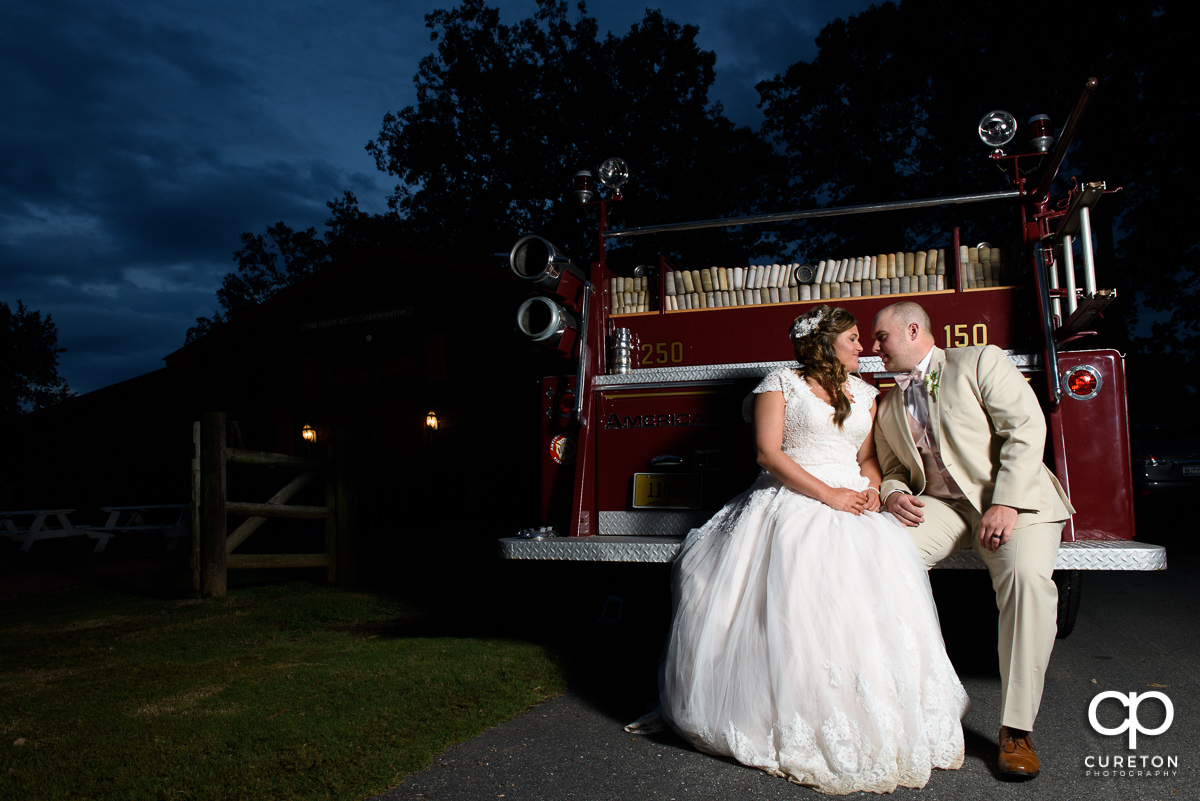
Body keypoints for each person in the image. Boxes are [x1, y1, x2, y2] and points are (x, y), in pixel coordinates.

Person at [653, 305, 969, 795]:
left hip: (852, 503)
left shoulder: (866, 393)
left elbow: (867, 457)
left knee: (867, 603)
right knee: (795, 601)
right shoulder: (780, 383)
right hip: (792, 499)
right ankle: (786, 712)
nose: (864, 347)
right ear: (825, 344)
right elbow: (768, 453)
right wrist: (830, 496)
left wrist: (868, 489)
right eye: (853, 339)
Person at [870, 300, 1074, 781]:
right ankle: (900, 703)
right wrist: (895, 494)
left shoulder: (979, 361)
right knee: (879, 558)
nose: (873, 346)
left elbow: (1025, 428)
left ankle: (1016, 729)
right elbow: (893, 471)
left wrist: (1007, 501)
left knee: (1025, 581)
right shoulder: (888, 402)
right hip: (941, 508)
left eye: (881, 337)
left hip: (1009, 501)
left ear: (913, 329)